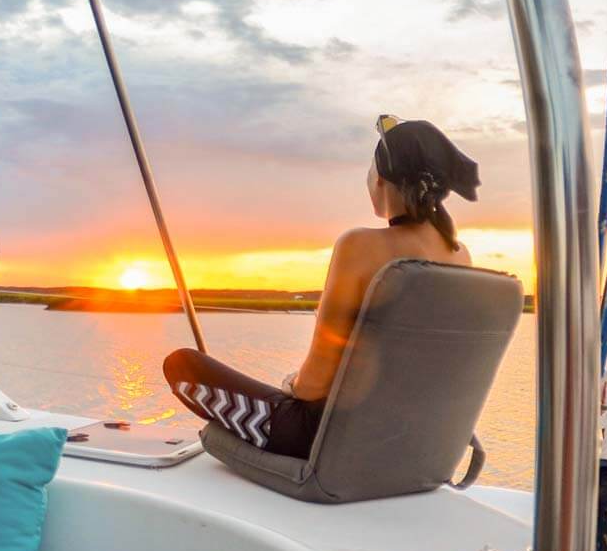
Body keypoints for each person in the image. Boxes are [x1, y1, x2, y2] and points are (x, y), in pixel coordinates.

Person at [162, 117, 480, 458]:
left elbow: (313, 385)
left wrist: (292, 385)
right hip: (409, 440)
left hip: (324, 438)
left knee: (182, 365)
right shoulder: (460, 255)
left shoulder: (360, 245)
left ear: (382, 181)